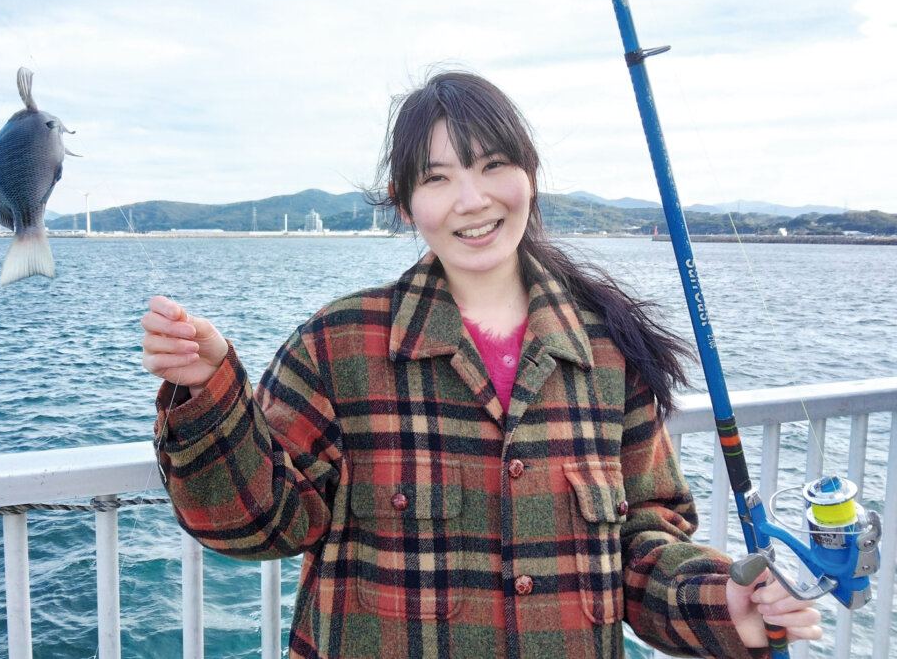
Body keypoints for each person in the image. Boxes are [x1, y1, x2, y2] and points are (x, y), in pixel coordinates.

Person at [142, 71, 821, 658]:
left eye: (494, 165)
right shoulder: (337, 343)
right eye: (439, 177)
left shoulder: (611, 353)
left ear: (528, 177)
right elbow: (261, 523)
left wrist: (720, 603)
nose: (473, 199)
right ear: (404, 202)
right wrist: (208, 391)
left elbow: (642, 541)